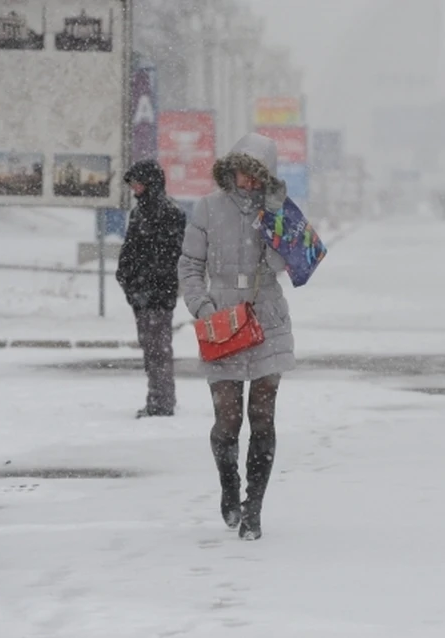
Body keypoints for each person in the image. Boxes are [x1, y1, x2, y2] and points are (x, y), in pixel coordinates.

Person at [179, 132, 294, 541]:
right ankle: (230, 487)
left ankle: (254, 507)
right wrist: (203, 308)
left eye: (255, 175)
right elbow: (190, 266)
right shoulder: (207, 209)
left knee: (262, 415)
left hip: (268, 319)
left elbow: (286, 264)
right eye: (241, 172)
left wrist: (277, 218)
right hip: (223, 319)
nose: (246, 181)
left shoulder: (275, 210)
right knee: (228, 420)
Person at [116, 160, 186, 418]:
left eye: (138, 183)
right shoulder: (140, 212)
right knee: (150, 347)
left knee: (158, 349)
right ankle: (157, 397)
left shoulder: (169, 213)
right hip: (142, 293)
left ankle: (162, 401)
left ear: (150, 183)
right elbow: (130, 251)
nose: (134, 188)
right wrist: (127, 279)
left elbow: (168, 257)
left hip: (157, 294)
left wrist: (143, 280)